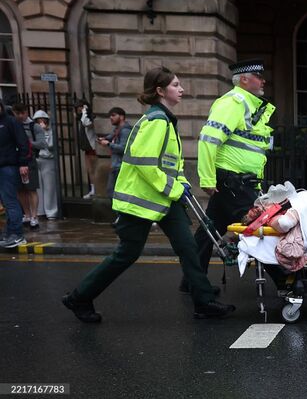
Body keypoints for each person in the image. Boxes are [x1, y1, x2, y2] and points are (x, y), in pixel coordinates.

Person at [62, 67, 235, 323]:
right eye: (176, 85)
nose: (181, 89)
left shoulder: (166, 120)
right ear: (160, 91)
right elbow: (145, 165)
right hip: (141, 202)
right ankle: (79, 297)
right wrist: (175, 188)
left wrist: (181, 182)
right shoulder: (156, 122)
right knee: (127, 254)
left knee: (188, 247)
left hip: (163, 199)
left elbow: (171, 163)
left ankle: (204, 301)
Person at [181, 59, 276, 294]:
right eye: (258, 76)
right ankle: (288, 281)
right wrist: (207, 179)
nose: (263, 80)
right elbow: (208, 140)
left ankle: (192, 281)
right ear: (244, 79)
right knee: (261, 225)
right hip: (234, 181)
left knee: (208, 231)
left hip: (237, 180)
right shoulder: (234, 102)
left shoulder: (247, 105)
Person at [0, 98, 30, 248]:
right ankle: (8, 233)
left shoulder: (11, 122)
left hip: (8, 167)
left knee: (11, 201)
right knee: (6, 203)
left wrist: (23, 163)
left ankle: (17, 234)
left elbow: (23, 143)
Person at [12, 103, 46, 229]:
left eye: (23, 113)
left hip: (29, 160)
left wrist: (27, 143)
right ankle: (26, 214)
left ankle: (34, 216)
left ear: (26, 112)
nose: (20, 116)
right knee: (20, 190)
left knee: (31, 189)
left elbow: (42, 144)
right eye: (17, 113)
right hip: (15, 160)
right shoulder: (13, 125)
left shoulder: (34, 127)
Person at [97, 107, 132, 198]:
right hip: (116, 165)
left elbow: (123, 148)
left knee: (113, 193)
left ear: (121, 117)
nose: (111, 118)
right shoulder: (118, 129)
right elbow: (111, 136)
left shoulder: (125, 131)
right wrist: (104, 139)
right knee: (112, 193)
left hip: (120, 166)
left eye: (113, 115)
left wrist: (108, 144)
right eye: (110, 116)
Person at [32, 110, 59, 220]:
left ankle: (51, 211)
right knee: (38, 187)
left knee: (49, 186)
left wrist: (44, 132)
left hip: (48, 159)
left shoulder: (51, 131)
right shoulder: (33, 131)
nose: (40, 123)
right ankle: (40, 211)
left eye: (42, 120)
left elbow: (50, 145)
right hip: (37, 159)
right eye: (38, 121)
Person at [74, 98, 98, 199]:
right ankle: (93, 190)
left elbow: (87, 123)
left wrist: (85, 111)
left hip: (92, 147)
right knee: (89, 170)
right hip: (87, 148)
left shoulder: (89, 117)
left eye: (80, 107)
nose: (78, 110)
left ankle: (97, 190)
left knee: (94, 169)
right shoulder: (81, 118)